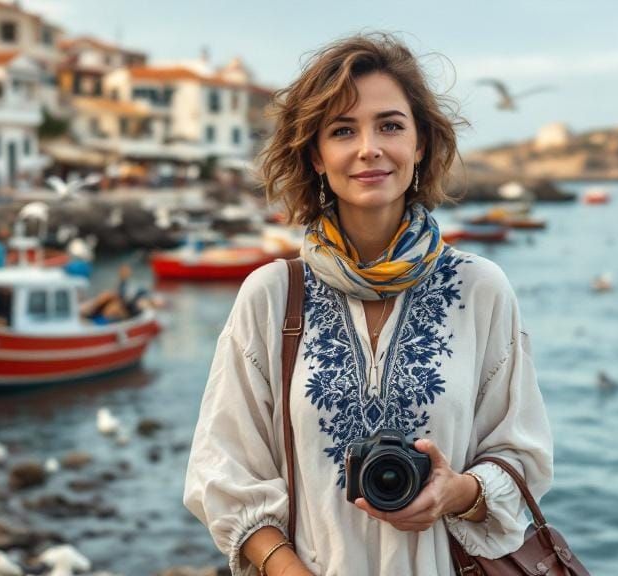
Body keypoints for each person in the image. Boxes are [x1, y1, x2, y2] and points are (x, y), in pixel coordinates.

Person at [184, 33, 553, 576]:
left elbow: (523, 454)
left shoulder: (481, 288)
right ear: (315, 154)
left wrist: (457, 493)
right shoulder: (272, 295)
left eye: (390, 125)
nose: (368, 148)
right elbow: (225, 471)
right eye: (342, 130)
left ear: (421, 143)